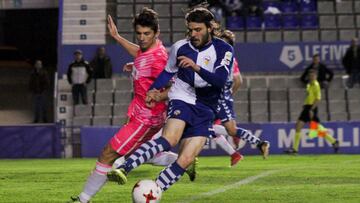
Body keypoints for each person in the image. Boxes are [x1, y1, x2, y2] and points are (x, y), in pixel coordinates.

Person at [107, 7, 247, 193]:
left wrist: (196, 67)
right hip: (182, 97)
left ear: (210, 28)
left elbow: (220, 81)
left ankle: (155, 190)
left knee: (186, 159)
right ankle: (124, 167)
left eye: (198, 30)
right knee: (169, 139)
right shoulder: (180, 47)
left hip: (206, 106)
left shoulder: (224, 50)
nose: (193, 34)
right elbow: (167, 72)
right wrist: (152, 90)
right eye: (190, 29)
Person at [69, 8, 170, 203]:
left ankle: (83, 199)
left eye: (147, 34)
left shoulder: (159, 58)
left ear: (157, 33)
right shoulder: (149, 49)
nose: (142, 38)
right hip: (142, 114)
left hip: (146, 119)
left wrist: (159, 97)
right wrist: (118, 39)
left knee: (108, 153)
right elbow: (140, 53)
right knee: (148, 155)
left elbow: (175, 86)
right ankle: (184, 159)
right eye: (139, 33)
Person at [285, 69, 339, 154]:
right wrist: (305, 104)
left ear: (316, 76)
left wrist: (311, 109)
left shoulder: (316, 85)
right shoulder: (309, 84)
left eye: (313, 76)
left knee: (314, 128)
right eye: (310, 76)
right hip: (307, 107)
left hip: (311, 108)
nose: (311, 77)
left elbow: (318, 99)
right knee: (301, 126)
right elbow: (310, 96)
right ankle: (295, 149)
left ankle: (333, 141)